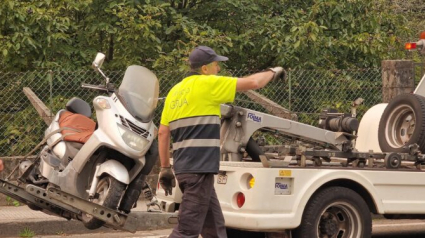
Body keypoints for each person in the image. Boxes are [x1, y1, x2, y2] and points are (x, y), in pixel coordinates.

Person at [158, 45, 284, 238]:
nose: (219, 70)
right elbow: (253, 83)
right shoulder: (208, 84)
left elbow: (163, 133)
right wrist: (273, 72)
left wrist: (165, 168)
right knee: (186, 231)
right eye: (216, 65)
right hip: (199, 169)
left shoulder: (174, 92)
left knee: (214, 227)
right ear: (205, 69)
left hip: (185, 169)